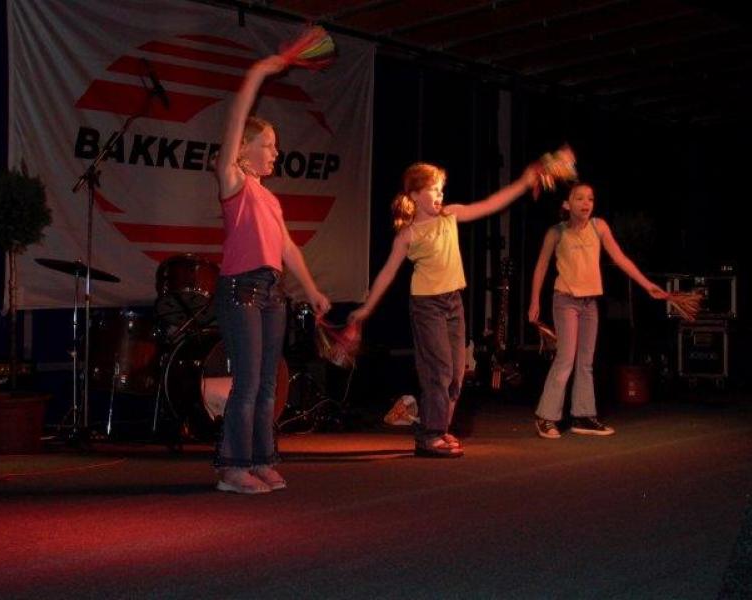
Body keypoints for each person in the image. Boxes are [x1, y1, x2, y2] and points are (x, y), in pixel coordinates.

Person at [349, 162, 537, 457]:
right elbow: (387, 273)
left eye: (441, 190)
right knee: (439, 370)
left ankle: (439, 427)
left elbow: (490, 204)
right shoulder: (409, 234)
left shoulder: (449, 216)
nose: (440, 195)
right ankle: (430, 435)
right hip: (427, 305)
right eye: (433, 190)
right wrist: (367, 308)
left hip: (453, 302)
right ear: (415, 195)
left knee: (457, 373)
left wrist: (524, 182)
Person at [213, 54, 330, 493]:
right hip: (241, 289)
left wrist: (312, 290)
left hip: (271, 292)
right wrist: (259, 74)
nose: (275, 152)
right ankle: (232, 467)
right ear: (243, 148)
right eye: (267, 144)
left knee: (267, 384)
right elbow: (235, 118)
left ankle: (261, 460)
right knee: (247, 383)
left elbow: (288, 248)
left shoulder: (269, 199)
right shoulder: (233, 182)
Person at [528, 182, 667, 439]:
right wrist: (535, 300)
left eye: (590, 199)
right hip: (566, 301)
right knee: (565, 358)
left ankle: (583, 415)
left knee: (586, 361)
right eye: (579, 198)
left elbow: (620, 258)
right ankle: (546, 416)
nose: (586, 203)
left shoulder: (599, 226)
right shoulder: (556, 232)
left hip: (590, 303)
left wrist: (647, 285)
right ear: (567, 204)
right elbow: (541, 267)